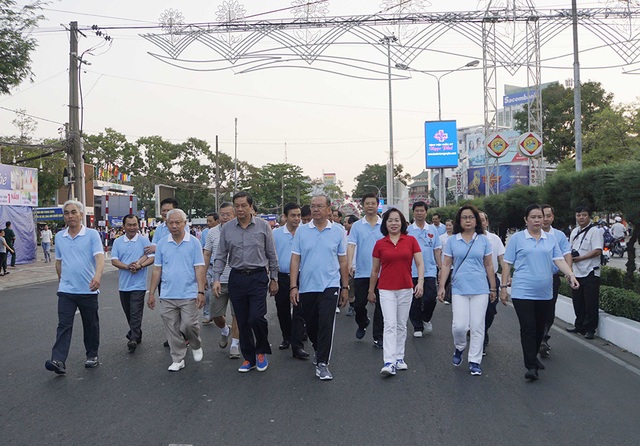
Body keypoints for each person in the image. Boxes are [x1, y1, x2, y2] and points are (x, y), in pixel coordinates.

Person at [501, 204, 579, 381]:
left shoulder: (550, 239)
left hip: (544, 291)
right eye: (533, 217)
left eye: (540, 217)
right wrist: (504, 287)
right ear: (526, 220)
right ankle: (530, 365)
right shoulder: (517, 239)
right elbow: (507, 263)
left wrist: (570, 274)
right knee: (528, 327)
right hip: (522, 291)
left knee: (539, 328)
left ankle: (533, 356)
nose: (537, 220)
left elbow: (559, 259)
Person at [213, 191, 279, 373]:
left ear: (251, 207)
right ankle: (249, 358)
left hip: (258, 277)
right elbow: (220, 256)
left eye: (244, 205)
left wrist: (274, 278)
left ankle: (261, 351)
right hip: (236, 278)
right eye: (237, 206)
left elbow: (272, 255)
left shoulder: (263, 226)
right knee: (241, 320)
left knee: (256, 317)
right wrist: (216, 279)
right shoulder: (227, 229)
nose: (240, 209)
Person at [290, 195, 349, 380]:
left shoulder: (338, 231)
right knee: (311, 324)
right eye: (313, 206)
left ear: (329, 209)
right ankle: (317, 347)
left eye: (320, 206)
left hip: (330, 284)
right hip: (307, 286)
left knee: (325, 323)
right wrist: (293, 286)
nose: (315, 209)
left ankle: (323, 363)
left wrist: (345, 286)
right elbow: (295, 259)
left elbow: (343, 260)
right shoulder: (302, 231)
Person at [45, 200, 104, 375]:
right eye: (66, 213)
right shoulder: (60, 237)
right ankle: (58, 360)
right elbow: (59, 262)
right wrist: (62, 281)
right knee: (63, 324)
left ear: (81, 214)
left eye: (73, 212)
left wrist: (98, 276)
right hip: (66, 291)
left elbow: (100, 258)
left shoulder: (92, 235)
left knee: (90, 324)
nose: (70, 216)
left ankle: (92, 355)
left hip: (88, 289)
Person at [437, 204, 496, 377]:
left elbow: (489, 264)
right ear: (459, 221)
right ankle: (460, 347)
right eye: (464, 217)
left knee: (478, 326)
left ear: (476, 220)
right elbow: (446, 264)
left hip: (480, 288)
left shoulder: (484, 240)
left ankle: (474, 361)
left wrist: (493, 287)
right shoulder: (452, 241)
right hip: (459, 288)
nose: (468, 220)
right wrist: (441, 286)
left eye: (471, 217)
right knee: (459, 326)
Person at [148, 209, 206, 372]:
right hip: (167, 293)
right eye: (170, 223)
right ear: (166, 224)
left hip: (188, 293)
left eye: (177, 222)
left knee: (188, 325)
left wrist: (200, 291)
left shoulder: (194, 242)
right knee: (172, 327)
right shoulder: (162, 244)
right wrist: (152, 293)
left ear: (185, 223)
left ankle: (195, 344)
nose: (174, 226)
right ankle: (178, 358)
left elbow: (199, 267)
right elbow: (157, 269)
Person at [370, 208, 424, 376]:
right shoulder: (380, 244)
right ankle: (389, 361)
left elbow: (420, 264)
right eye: (390, 220)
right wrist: (371, 290)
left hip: (406, 288)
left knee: (401, 324)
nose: (394, 223)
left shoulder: (411, 240)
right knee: (390, 324)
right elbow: (374, 270)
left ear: (402, 223)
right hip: (386, 289)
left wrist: (420, 283)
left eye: (397, 220)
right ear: (385, 224)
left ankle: (400, 357)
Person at [111, 214, 155, 352]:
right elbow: (114, 260)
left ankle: (133, 338)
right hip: (124, 285)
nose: (132, 227)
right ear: (123, 226)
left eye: (134, 224)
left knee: (135, 311)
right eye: (129, 225)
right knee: (129, 313)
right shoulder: (118, 242)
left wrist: (140, 266)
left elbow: (152, 257)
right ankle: (137, 333)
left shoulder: (143, 240)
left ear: (138, 225)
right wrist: (127, 267)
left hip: (139, 284)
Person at [203, 203, 241, 357]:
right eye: (222, 214)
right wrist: (204, 275)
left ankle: (235, 345)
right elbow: (206, 254)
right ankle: (225, 330)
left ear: (234, 215)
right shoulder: (211, 233)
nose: (225, 217)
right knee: (216, 315)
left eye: (228, 214)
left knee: (237, 314)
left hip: (237, 279)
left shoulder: (240, 230)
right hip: (218, 280)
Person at [347, 193, 384, 349]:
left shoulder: (384, 225)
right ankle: (363, 322)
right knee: (359, 304)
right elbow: (351, 245)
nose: (370, 206)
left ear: (377, 205)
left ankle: (378, 336)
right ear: (362, 206)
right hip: (362, 272)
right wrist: (349, 263)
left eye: (373, 203)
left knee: (381, 307)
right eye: (367, 203)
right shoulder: (357, 226)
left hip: (383, 272)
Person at [272, 203, 309, 359]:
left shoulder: (305, 233)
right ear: (285, 217)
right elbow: (271, 256)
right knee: (282, 310)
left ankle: (297, 345)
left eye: (298, 215)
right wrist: (272, 279)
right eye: (293, 215)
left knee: (299, 311)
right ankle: (287, 337)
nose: (296, 218)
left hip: (301, 277)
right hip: (282, 276)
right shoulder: (276, 234)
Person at [539, 204, 572, 357]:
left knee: (549, 309)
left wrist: (569, 273)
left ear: (553, 217)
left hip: (552, 278)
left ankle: (543, 338)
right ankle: (537, 338)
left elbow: (566, 254)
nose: (545, 219)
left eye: (548, 216)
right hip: (534, 278)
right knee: (535, 310)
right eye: (542, 215)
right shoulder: (531, 234)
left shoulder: (559, 236)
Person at [566, 205, 604, 340]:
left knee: (590, 302)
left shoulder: (595, 231)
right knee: (578, 301)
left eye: (584, 215)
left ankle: (590, 329)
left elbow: (598, 250)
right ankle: (579, 325)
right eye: (578, 215)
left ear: (589, 216)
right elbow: (569, 251)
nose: (581, 217)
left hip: (590, 271)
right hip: (576, 272)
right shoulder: (574, 231)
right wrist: (568, 270)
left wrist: (580, 258)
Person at [407, 201, 441, 338]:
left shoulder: (432, 230)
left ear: (426, 212)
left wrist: (440, 268)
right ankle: (417, 326)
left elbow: (437, 250)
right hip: (411, 270)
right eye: (417, 211)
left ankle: (426, 319)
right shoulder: (408, 231)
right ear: (413, 213)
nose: (419, 213)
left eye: (422, 211)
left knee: (430, 298)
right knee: (414, 300)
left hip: (430, 270)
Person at [479, 211, 505, 355]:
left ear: (487, 222)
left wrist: (506, 275)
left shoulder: (494, 239)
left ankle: (484, 330)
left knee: (490, 310)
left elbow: (502, 258)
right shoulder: (470, 238)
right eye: (478, 220)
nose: (481, 222)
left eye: (483, 220)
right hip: (475, 279)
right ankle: (480, 339)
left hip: (491, 279)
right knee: (477, 312)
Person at [343, 214, 359, 317]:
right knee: (350, 288)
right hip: (347, 266)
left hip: (358, 266)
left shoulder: (358, 235)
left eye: (346, 222)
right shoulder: (343, 234)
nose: (344, 224)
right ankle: (352, 306)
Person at [439, 219, 454, 305]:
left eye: (450, 225)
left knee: (452, 280)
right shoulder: (442, 238)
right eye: (447, 225)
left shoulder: (456, 236)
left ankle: (450, 296)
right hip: (444, 262)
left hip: (454, 264)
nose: (448, 227)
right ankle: (445, 294)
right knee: (446, 279)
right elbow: (439, 251)